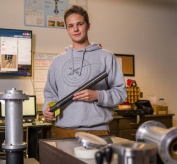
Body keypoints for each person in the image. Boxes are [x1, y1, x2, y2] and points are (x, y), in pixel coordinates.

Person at [43, 5, 127, 138]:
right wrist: (47, 109)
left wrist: (97, 95)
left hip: (97, 131)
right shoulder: (57, 62)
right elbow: (50, 94)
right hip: (63, 130)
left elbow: (120, 93)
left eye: (79, 24)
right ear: (67, 30)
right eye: (70, 26)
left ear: (88, 25)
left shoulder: (106, 57)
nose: (75, 29)